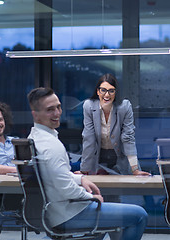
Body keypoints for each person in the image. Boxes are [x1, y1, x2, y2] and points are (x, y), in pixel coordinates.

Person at [27, 87, 148, 240]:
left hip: (56, 211)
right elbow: (65, 189)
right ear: (35, 115)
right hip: (69, 214)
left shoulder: (36, 138)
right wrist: (89, 198)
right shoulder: (51, 146)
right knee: (139, 215)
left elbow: (54, 175)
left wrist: (80, 179)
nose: (57, 113)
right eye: (50, 110)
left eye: (58, 107)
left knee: (108, 210)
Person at [80, 73, 150, 176]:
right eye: (103, 90)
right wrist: (84, 169)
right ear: (98, 91)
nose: (107, 95)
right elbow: (89, 139)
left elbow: (128, 138)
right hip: (98, 158)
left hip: (121, 158)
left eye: (111, 91)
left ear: (116, 93)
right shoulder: (89, 106)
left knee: (123, 188)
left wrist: (135, 169)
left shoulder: (124, 107)